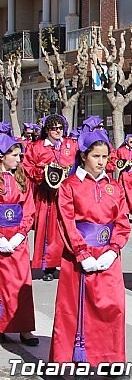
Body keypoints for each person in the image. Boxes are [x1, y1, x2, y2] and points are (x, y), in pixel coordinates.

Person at [50, 129, 131, 380]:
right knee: (78, 309)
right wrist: (82, 253)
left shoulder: (114, 187)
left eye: (105, 156)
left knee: (112, 308)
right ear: (83, 156)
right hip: (79, 256)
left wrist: (113, 249)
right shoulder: (69, 186)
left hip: (108, 256)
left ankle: (110, 361)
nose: (101, 161)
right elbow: (66, 222)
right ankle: (79, 363)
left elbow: (122, 221)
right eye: (96, 156)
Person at [22, 114, 78, 281]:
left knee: (68, 229)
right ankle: (48, 266)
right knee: (48, 231)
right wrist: (43, 175)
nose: (57, 131)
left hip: (68, 194)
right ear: (47, 130)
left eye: (60, 128)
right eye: (54, 128)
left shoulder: (70, 145)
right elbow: (27, 166)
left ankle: (69, 262)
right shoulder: (37, 147)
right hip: (46, 196)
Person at [0, 134, 38, 346]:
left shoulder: (22, 180)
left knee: (22, 283)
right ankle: (2, 325)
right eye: (14, 155)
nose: (18, 159)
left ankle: (24, 328)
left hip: (17, 241)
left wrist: (20, 234)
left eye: (19, 154)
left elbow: (28, 211)